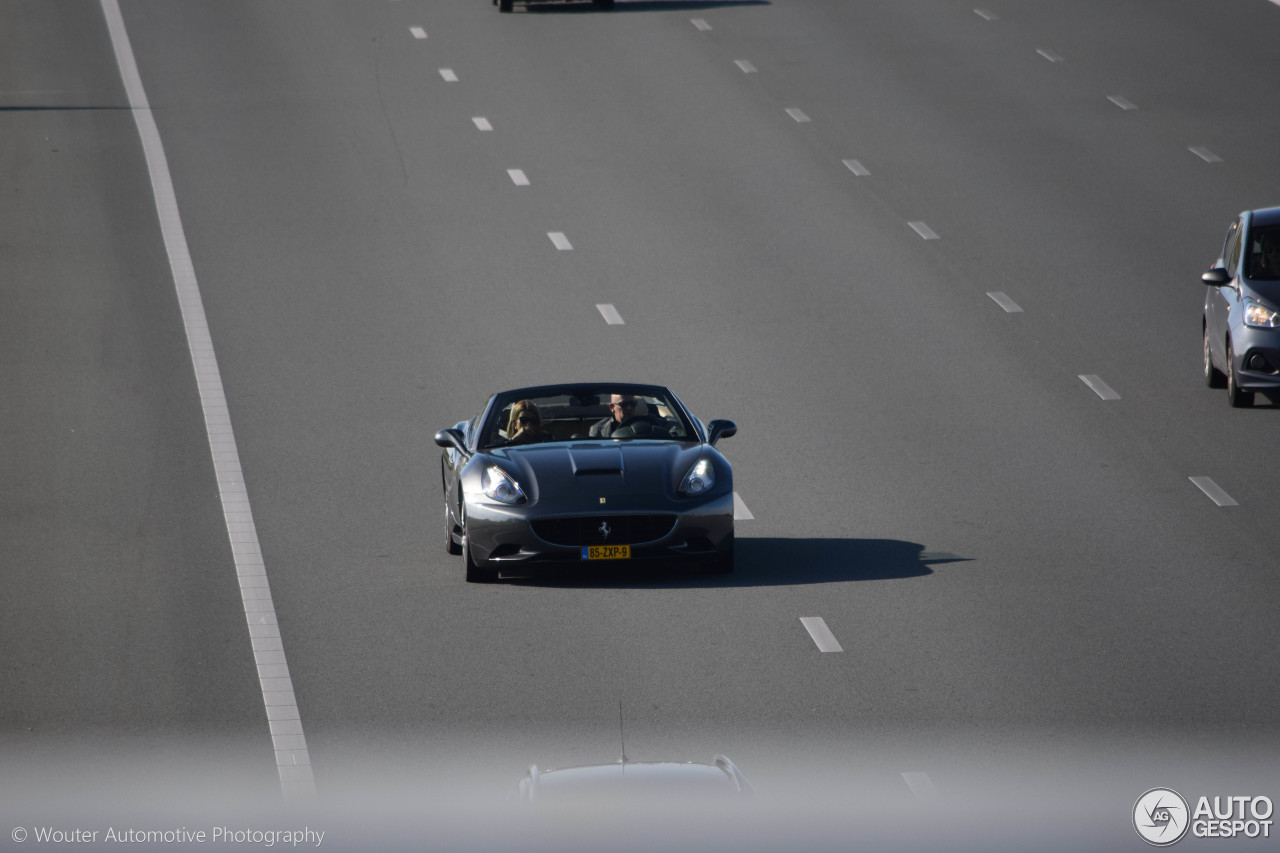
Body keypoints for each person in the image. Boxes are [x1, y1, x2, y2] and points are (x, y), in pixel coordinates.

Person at [589, 393, 669, 438]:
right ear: (612, 407)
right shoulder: (598, 430)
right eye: (623, 404)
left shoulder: (651, 423)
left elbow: (672, 428)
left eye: (633, 403)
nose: (629, 408)